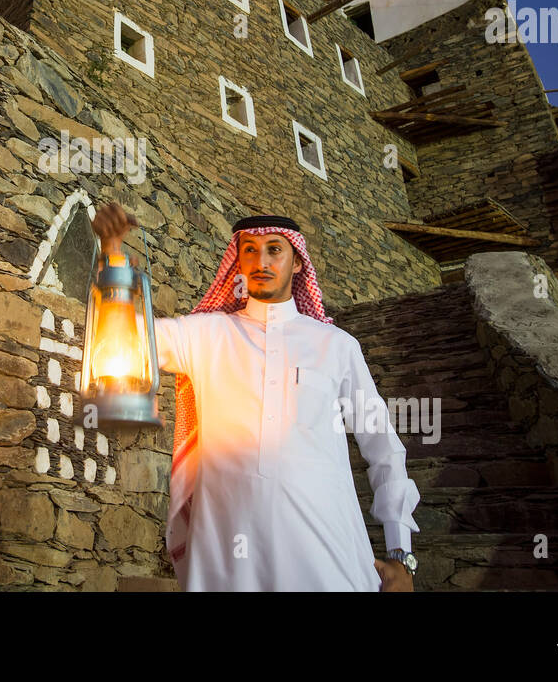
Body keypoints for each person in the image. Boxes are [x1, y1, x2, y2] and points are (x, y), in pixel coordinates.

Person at [91, 200, 420, 591]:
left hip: (329, 554)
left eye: (274, 249)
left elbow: (383, 447)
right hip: (226, 558)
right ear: (239, 262)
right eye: (249, 250)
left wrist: (402, 553)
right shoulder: (207, 334)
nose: (261, 259)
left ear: (297, 262)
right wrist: (111, 253)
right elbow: (125, 336)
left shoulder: (336, 346)